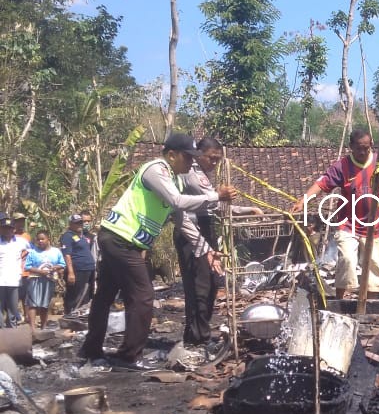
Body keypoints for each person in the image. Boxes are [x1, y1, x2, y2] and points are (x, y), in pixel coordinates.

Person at [79, 133, 238, 369]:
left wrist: (206, 249)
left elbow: (182, 220)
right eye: (187, 157)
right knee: (143, 296)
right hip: (120, 238)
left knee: (105, 296)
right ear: (172, 155)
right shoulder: (156, 169)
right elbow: (176, 201)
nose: (190, 162)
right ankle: (128, 357)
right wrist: (217, 195)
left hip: (123, 240)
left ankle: (91, 350)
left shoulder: (176, 179)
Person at [292, 130, 379, 299]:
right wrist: (303, 201)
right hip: (348, 223)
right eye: (359, 148)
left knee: (376, 265)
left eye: (366, 148)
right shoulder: (342, 166)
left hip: (375, 225)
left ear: (371, 146)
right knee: (347, 260)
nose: (362, 152)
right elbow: (321, 185)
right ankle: (340, 301)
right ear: (351, 147)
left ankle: (371, 305)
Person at [173, 137, 262, 348]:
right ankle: (197, 338)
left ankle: (200, 334)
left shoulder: (203, 175)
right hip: (192, 230)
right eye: (211, 158)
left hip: (207, 226)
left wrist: (246, 210)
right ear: (198, 154)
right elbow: (211, 199)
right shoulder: (190, 172)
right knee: (199, 285)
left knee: (211, 284)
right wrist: (220, 196)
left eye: (217, 160)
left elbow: (216, 206)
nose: (214, 163)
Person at [23, 231, 65, 329]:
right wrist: (39, 271)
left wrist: (55, 267)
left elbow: (62, 264)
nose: (40, 241)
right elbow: (27, 267)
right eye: (38, 239)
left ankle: (43, 326)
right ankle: (32, 328)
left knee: (45, 304)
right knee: (32, 303)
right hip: (35, 280)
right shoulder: (33, 252)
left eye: (42, 239)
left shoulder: (56, 251)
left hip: (49, 280)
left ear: (48, 239)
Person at [60, 214, 96, 315]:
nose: (80, 225)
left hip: (88, 269)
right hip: (77, 269)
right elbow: (67, 255)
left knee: (86, 295)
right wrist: (71, 272)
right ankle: (70, 320)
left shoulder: (82, 236)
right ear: (70, 224)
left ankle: (82, 318)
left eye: (81, 222)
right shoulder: (68, 236)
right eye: (76, 223)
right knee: (74, 296)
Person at [0, 217, 29, 327]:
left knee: (13, 308)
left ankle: (12, 329)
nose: (7, 231)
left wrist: (24, 260)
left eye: (10, 228)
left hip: (14, 280)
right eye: (4, 228)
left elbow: (32, 251)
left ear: (14, 230)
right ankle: (1, 331)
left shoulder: (22, 242)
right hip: (0, 280)